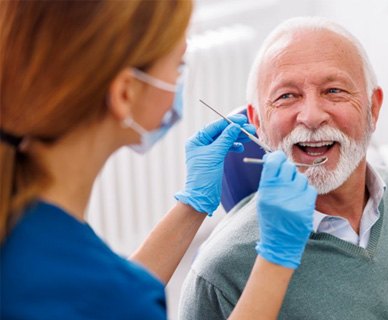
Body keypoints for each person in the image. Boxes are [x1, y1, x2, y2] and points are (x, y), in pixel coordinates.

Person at [0, 2, 318, 319]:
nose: (311, 116)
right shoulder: (109, 292)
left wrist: (192, 204)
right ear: (125, 93)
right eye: (179, 66)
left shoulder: (30, 225)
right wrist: (277, 257)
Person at [179, 17, 388, 320]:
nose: (312, 117)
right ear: (258, 122)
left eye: (334, 91)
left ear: (373, 108)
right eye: (286, 96)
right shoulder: (220, 277)